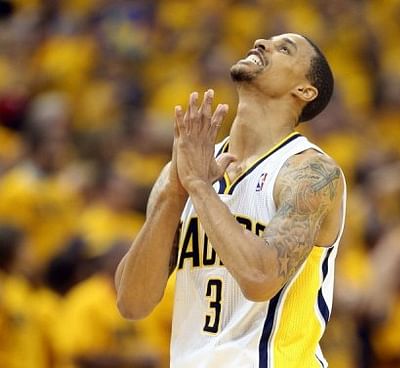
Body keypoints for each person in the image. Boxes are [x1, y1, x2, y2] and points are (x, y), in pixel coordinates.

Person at [115, 33, 346, 368]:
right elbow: (131, 303)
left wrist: (199, 187)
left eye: (284, 49)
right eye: (267, 40)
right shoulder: (184, 172)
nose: (262, 42)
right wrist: (175, 194)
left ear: (304, 90)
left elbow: (260, 279)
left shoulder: (308, 171)